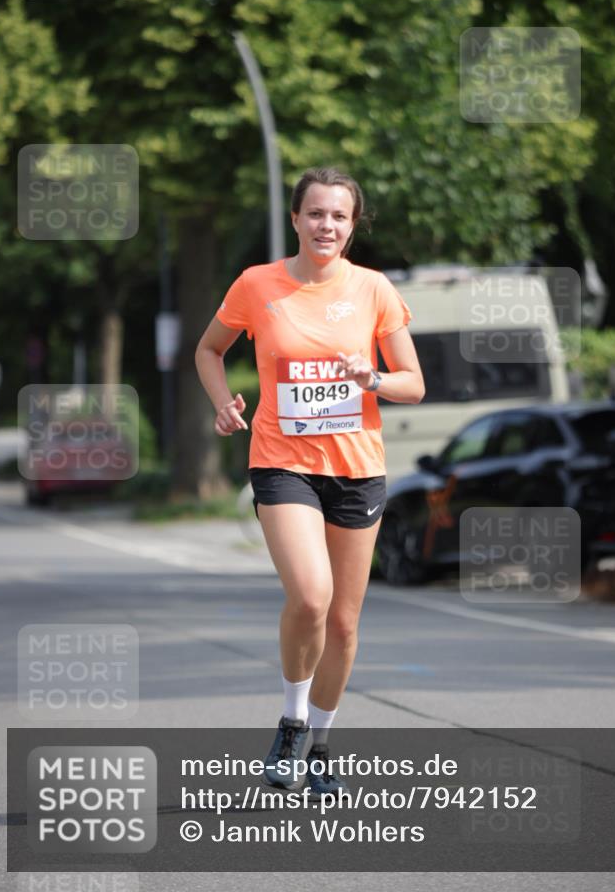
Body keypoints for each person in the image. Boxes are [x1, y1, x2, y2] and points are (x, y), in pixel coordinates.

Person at [195, 167, 424, 800]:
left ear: (353, 226)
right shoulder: (257, 285)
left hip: (357, 468)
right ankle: (291, 722)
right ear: (295, 219)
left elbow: (414, 382)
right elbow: (209, 349)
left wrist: (371, 379)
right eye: (316, 214)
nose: (327, 226)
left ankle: (320, 743)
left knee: (345, 625)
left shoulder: (374, 289)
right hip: (281, 460)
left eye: (340, 217)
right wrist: (222, 403)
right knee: (312, 596)